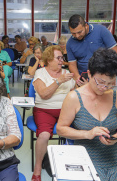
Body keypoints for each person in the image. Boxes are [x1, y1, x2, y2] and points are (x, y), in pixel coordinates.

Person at [56, 48, 117, 181]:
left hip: (115, 159)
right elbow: (61, 129)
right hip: (86, 158)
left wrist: (116, 137)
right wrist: (87, 134)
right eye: (101, 82)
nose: (105, 87)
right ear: (89, 74)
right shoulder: (74, 98)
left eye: (111, 83)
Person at [31, 45, 75, 181]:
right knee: (44, 135)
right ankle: (37, 170)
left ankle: (71, 164)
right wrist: (59, 81)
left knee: (80, 130)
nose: (62, 60)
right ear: (49, 60)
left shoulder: (67, 72)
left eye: (62, 57)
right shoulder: (40, 73)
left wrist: (81, 84)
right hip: (44, 110)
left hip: (65, 111)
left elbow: (75, 91)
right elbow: (44, 94)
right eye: (58, 58)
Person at [66, 14, 117, 83]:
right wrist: (77, 78)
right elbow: (72, 64)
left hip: (103, 75)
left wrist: (109, 74)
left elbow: (115, 54)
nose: (77, 36)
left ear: (86, 25)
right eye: (73, 33)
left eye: (79, 32)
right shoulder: (70, 43)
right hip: (84, 78)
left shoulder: (101, 31)